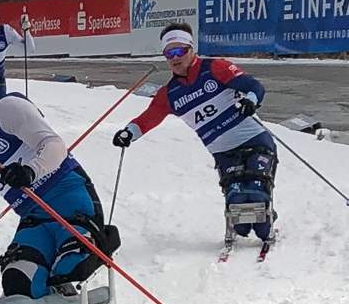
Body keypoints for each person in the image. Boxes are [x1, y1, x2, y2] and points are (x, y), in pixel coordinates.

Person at [0, 69, 110, 300]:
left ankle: (99, 244)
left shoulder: (7, 110)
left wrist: (29, 171)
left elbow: (54, 145)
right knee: (17, 284)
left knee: (71, 267)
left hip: (70, 199)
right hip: (34, 219)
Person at [111, 22, 278, 247]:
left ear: (192, 49)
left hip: (255, 140)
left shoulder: (215, 68)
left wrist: (251, 100)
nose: (175, 57)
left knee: (257, 205)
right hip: (223, 153)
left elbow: (255, 86)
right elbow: (149, 117)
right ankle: (250, 214)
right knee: (240, 213)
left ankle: (266, 215)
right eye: (169, 53)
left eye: (180, 51)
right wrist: (128, 133)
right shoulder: (169, 94)